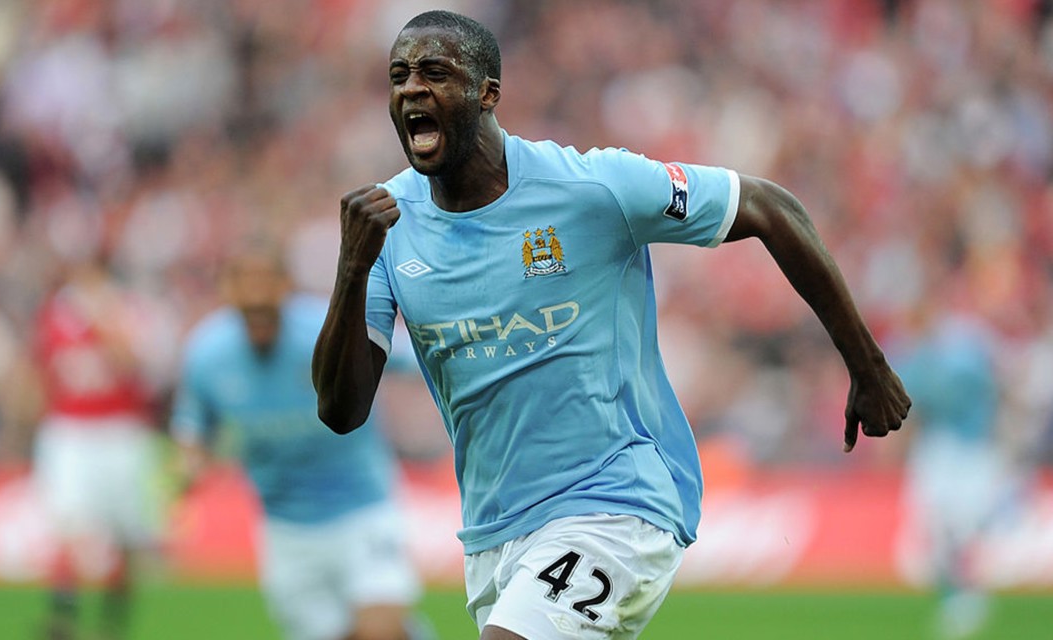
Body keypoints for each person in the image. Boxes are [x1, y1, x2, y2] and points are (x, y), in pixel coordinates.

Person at [312, 10, 912, 640]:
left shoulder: (592, 187)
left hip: (618, 503)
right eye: (399, 75)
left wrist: (866, 365)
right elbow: (341, 410)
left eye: (434, 72)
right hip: (493, 532)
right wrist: (352, 270)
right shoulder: (384, 226)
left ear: (488, 92)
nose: (411, 89)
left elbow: (768, 205)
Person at [170, 238, 429, 640]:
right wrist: (189, 466)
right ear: (227, 290)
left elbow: (415, 356)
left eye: (265, 282)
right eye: (243, 282)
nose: (255, 294)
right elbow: (191, 429)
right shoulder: (207, 354)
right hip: (286, 529)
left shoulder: (327, 330)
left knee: (379, 631)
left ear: (286, 286)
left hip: (362, 508)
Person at [31, 257, 166, 640]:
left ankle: (112, 624)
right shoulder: (54, 315)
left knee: (126, 532)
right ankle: (62, 619)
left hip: (122, 432)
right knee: (68, 523)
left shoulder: (130, 313)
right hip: (71, 430)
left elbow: (138, 367)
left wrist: (104, 322)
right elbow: (44, 373)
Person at [893, 294, 1005, 639]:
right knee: (938, 529)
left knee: (964, 530)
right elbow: (907, 409)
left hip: (971, 449)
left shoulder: (964, 352)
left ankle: (970, 597)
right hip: (938, 448)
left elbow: (992, 389)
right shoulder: (912, 357)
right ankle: (954, 597)